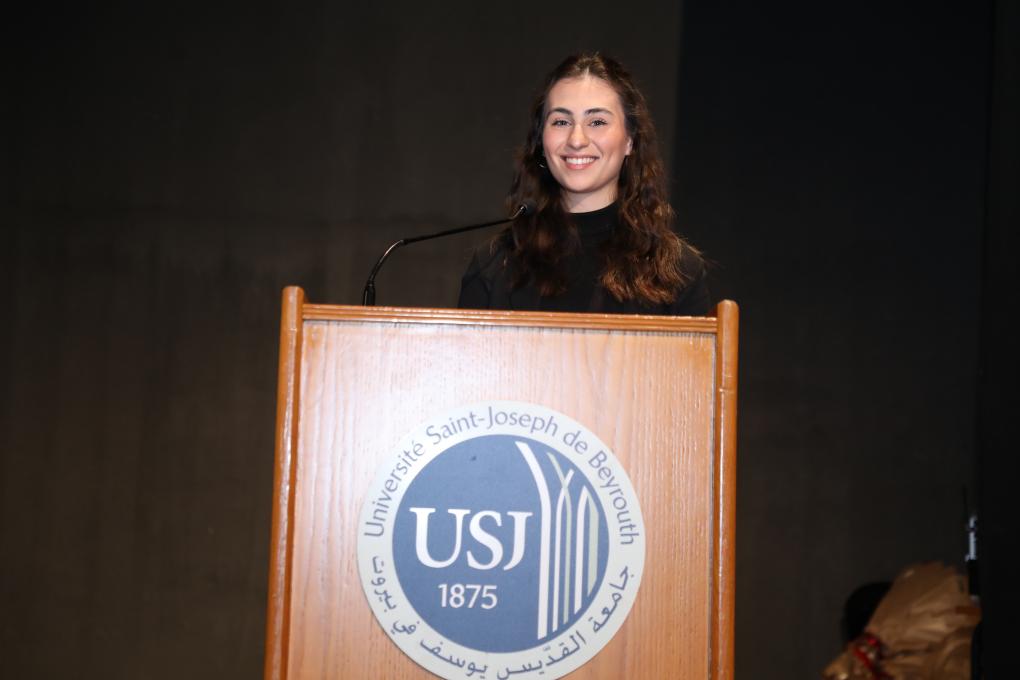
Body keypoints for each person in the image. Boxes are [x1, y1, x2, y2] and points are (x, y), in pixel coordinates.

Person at [458, 53, 710, 315]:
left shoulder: (678, 272)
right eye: (561, 122)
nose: (576, 140)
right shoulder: (493, 266)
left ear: (630, 140)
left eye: (597, 122)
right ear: (541, 140)